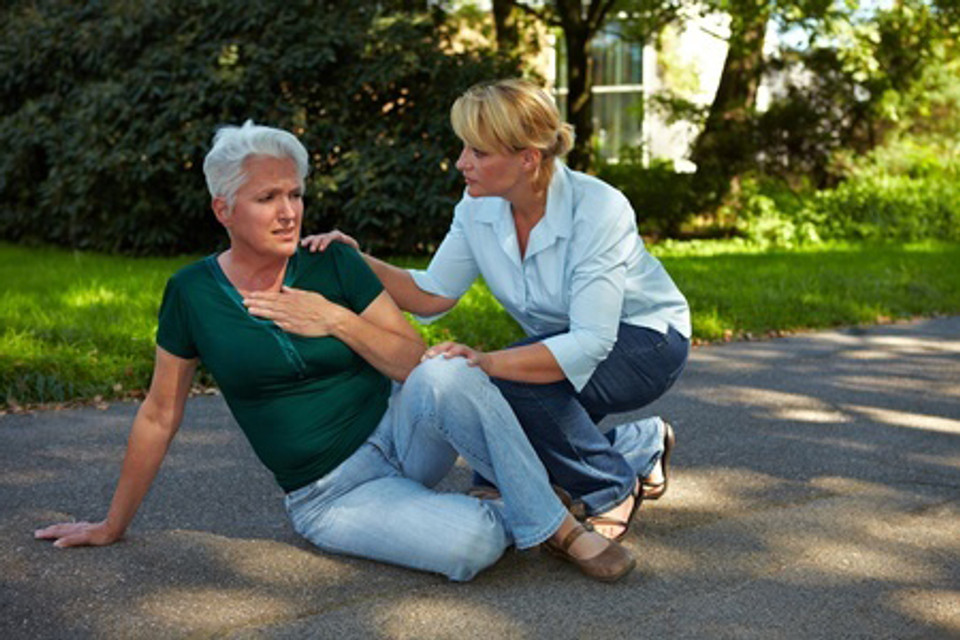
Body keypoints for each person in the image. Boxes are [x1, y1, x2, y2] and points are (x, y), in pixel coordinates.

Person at [33, 121, 636, 583]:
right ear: (224, 210)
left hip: (401, 436)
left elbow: (412, 364)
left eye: (294, 194)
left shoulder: (332, 262)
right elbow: (160, 413)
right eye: (268, 197)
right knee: (472, 549)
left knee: (449, 372)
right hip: (333, 495)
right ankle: (555, 482)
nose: (290, 211)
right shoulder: (192, 293)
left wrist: (336, 320)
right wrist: (113, 524)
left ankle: (553, 523)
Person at [302, 79, 691, 541]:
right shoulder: (478, 206)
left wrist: (488, 363)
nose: (462, 163)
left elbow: (591, 340)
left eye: (478, 152)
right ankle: (635, 444)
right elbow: (432, 292)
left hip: (647, 341)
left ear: (528, 158)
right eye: (464, 148)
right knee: (506, 386)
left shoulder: (599, 209)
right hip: (568, 339)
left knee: (504, 380)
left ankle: (609, 486)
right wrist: (356, 262)